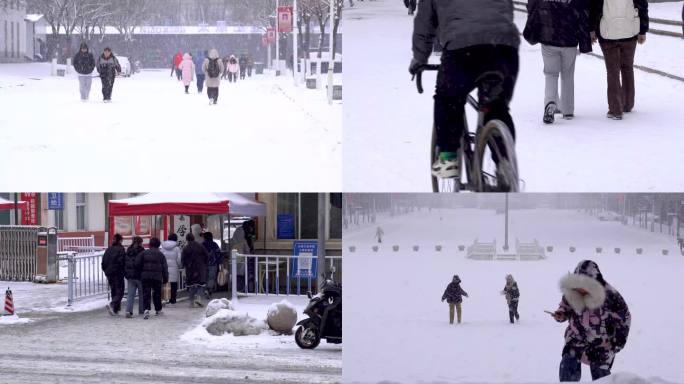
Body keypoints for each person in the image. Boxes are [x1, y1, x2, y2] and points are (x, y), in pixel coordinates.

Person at [409, 0, 520, 180]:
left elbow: (425, 21)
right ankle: (504, 163)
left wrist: (419, 58)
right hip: (504, 47)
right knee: (496, 106)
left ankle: (448, 159)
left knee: (448, 98)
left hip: (462, 47)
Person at [551, 260, 630, 381]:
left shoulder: (610, 296)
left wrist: (617, 342)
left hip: (602, 343)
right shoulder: (572, 292)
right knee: (568, 363)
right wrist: (561, 313)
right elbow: (565, 306)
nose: (581, 289)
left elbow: (624, 318)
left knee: (601, 375)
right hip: (576, 337)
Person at [523, 0, 592, 123]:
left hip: (548, 38)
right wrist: (584, 41)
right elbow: (583, 14)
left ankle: (550, 103)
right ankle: (568, 110)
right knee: (568, 75)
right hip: (569, 40)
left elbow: (533, 6)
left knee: (551, 74)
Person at [590, 0, 648, 120]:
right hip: (630, 31)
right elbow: (642, 5)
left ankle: (616, 110)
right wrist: (642, 30)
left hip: (607, 32)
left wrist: (592, 29)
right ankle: (627, 103)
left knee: (613, 71)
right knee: (627, 68)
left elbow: (593, 6)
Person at [135, 237, 169, 319]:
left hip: (145, 276)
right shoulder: (161, 255)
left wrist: (140, 273)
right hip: (157, 277)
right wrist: (165, 278)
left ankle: (146, 309)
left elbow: (137, 264)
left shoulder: (143, 253)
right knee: (157, 293)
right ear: (158, 245)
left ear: (150, 244)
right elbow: (165, 268)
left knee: (146, 293)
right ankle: (158, 309)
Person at [181, 233, 209, 308]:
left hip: (190, 269)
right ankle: (199, 298)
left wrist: (184, 266)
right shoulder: (200, 246)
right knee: (200, 284)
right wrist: (204, 263)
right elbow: (207, 255)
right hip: (200, 268)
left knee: (191, 285)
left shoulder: (186, 248)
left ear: (187, 239)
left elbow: (183, 259)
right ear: (194, 238)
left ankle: (191, 302)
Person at [101, 234, 126, 316]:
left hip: (109, 273)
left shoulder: (109, 249)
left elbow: (104, 261)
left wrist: (106, 271)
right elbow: (122, 261)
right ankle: (113, 304)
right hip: (118, 273)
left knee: (114, 290)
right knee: (120, 291)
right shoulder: (121, 249)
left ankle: (115, 309)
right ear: (120, 240)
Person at [124, 236, 145, 318]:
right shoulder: (142, 251)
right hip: (139, 276)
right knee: (141, 294)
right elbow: (143, 263)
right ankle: (141, 310)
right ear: (140, 243)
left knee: (130, 295)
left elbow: (125, 264)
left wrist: (127, 274)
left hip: (130, 276)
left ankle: (129, 311)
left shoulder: (128, 251)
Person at [160, 234, 182, 305]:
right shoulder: (177, 248)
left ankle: (165, 299)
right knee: (173, 285)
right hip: (174, 268)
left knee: (166, 283)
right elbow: (179, 260)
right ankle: (173, 300)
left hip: (164, 269)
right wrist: (180, 266)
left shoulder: (162, 248)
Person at [202, 232, 223, 299]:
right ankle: (209, 289)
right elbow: (218, 254)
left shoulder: (202, 245)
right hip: (213, 263)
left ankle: (205, 290)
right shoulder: (214, 244)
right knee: (211, 277)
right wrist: (220, 262)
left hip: (204, 264)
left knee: (205, 277)